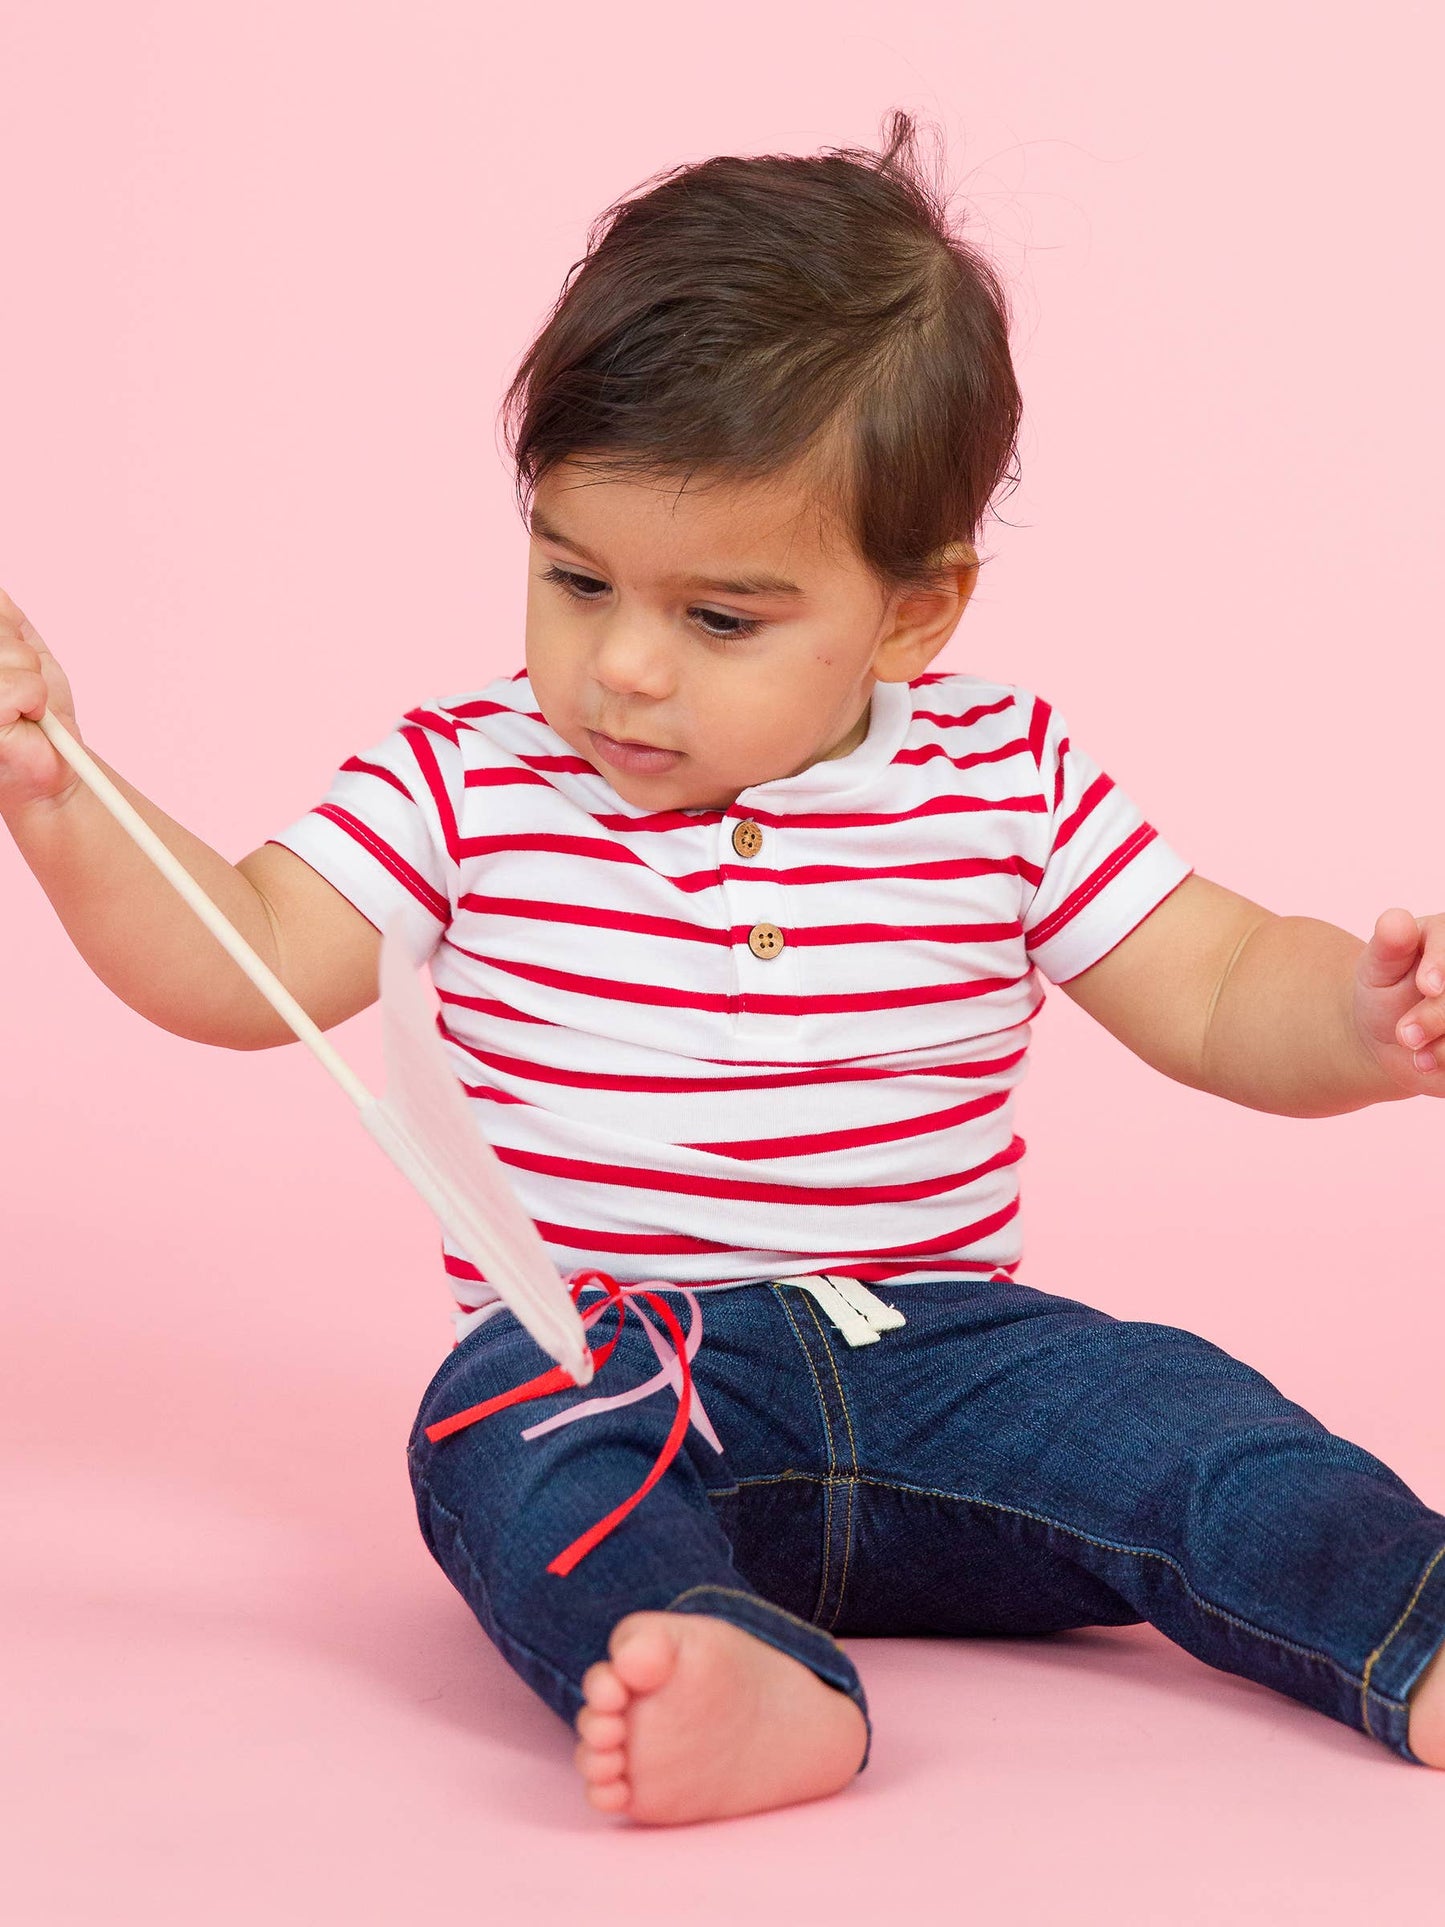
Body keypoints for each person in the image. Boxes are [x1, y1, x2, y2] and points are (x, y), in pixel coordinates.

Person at [3, 109, 1444, 1829]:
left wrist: (1363, 1021)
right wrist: (59, 793)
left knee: (1196, 1422)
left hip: (955, 1362)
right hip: (624, 1361)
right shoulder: (466, 782)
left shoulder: (999, 777)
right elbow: (238, 955)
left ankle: (1414, 1633)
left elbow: (1214, 987)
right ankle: (722, 1658)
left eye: (719, 619)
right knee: (493, 1429)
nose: (621, 668)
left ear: (911, 613)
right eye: (574, 577)